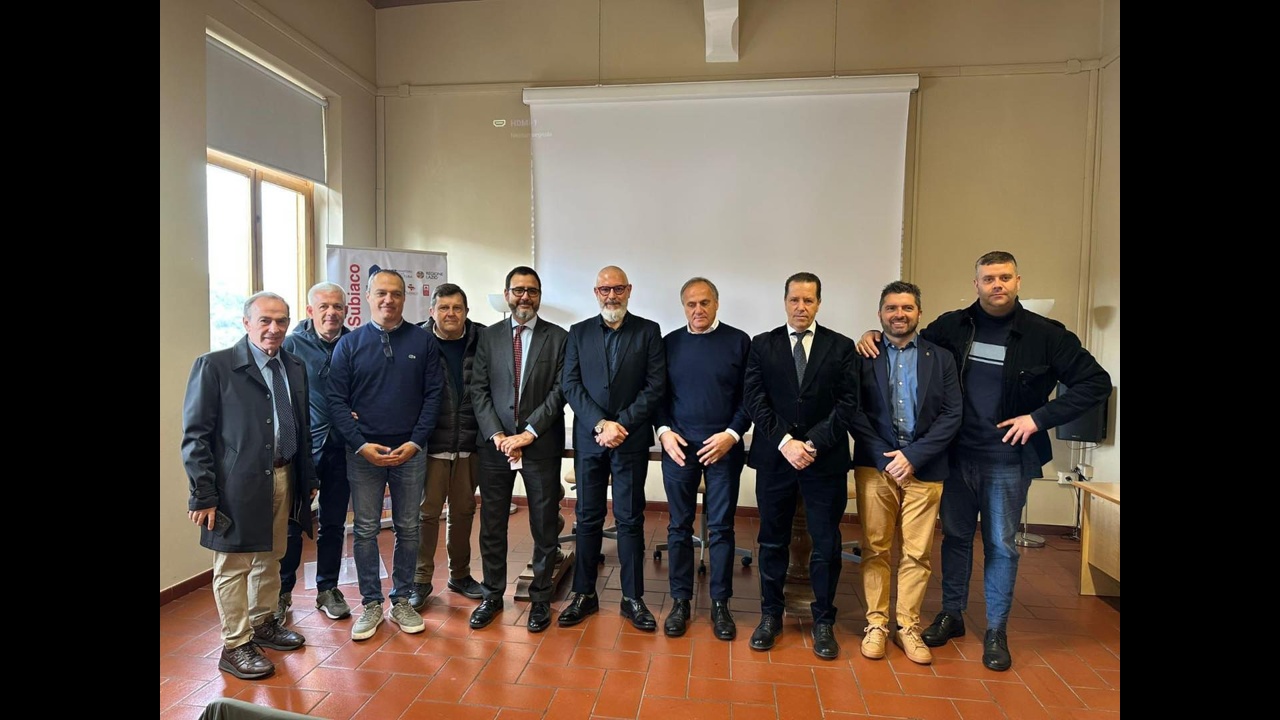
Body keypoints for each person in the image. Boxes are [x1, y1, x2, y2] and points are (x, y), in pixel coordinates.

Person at [856, 251, 1112, 671]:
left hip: (1007, 458)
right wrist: (872, 333)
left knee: (1001, 545)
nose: (997, 285)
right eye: (989, 278)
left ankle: (996, 629)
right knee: (955, 538)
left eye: (1004, 277)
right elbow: (904, 337)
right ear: (976, 284)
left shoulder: (1046, 335)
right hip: (955, 455)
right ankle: (952, 614)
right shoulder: (953, 326)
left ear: (1017, 281)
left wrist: (1038, 418)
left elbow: (1096, 383)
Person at [181, 292, 317, 680]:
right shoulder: (215, 366)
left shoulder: (294, 365)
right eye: (265, 320)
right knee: (233, 564)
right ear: (246, 323)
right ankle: (236, 644)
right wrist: (203, 494)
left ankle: (263, 623)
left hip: (284, 475)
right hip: (234, 486)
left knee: (272, 555)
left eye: (281, 321)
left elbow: (302, 426)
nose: (274, 328)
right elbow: (195, 437)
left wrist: (307, 477)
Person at [743, 272, 858, 660]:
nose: (801, 307)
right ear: (785, 301)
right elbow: (755, 399)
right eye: (795, 299)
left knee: (826, 543)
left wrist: (811, 443)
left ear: (819, 303)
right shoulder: (763, 344)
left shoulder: (841, 347)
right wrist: (785, 442)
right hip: (775, 459)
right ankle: (770, 615)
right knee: (772, 540)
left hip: (823, 460)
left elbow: (848, 404)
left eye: (809, 300)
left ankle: (823, 620)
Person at [847, 281, 962, 665]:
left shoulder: (941, 358)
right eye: (892, 308)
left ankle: (907, 626)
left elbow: (952, 414)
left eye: (907, 308)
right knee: (876, 548)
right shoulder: (863, 355)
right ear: (880, 313)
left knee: (917, 553)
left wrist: (912, 457)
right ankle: (876, 624)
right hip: (875, 466)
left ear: (919, 313)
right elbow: (853, 411)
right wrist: (887, 459)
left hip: (925, 469)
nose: (899, 314)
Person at [327, 269, 443, 641]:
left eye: (395, 293)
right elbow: (336, 400)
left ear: (404, 298)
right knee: (364, 529)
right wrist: (360, 444)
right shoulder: (349, 345)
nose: (388, 300)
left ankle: (402, 600)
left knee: (408, 527)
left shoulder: (424, 342)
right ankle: (371, 604)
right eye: (381, 293)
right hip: (363, 453)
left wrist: (416, 442)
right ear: (367, 296)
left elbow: (434, 396)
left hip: (410, 451)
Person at [560, 265, 666, 630]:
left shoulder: (648, 331)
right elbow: (571, 384)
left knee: (630, 519)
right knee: (587, 517)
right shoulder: (578, 333)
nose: (611, 295)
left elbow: (655, 386)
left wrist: (621, 424)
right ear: (596, 293)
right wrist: (601, 424)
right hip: (591, 439)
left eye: (618, 289)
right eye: (604, 289)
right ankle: (583, 594)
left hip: (630, 439)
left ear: (629, 290)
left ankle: (632, 598)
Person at [467, 266, 569, 633]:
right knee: (492, 524)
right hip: (495, 448)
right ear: (507, 293)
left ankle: (540, 598)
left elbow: (560, 391)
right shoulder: (488, 336)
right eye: (518, 290)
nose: (525, 296)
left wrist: (528, 433)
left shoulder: (559, 338)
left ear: (539, 295)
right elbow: (478, 389)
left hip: (540, 445)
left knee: (544, 524)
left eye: (532, 290)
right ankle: (492, 595)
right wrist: (497, 434)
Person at [654, 277, 751, 640]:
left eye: (705, 303)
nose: (698, 310)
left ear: (717, 303)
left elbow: (750, 398)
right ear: (683, 307)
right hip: (679, 447)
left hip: (723, 447)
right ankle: (680, 601)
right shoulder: (669, 344)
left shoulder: (739, 341)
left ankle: (720, 604)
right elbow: (657, 395)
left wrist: (731, 435)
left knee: (722, 527)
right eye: (691, 304)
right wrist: (664, 431)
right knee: (679, 526)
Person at [275, 282, 354, 624]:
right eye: (324, 307)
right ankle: (282, 593)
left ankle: (328, 589)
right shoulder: (291, 345)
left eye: (337, 306)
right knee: (293, 524)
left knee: (333, 523)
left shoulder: (356, 343)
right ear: (310, 311)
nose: (331, 313)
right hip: (301, 450)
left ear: (346, 310)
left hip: (341, 448)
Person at [410, 283, 486, 609]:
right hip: (430, 445)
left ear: (466, 311)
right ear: (432, 311)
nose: (451, 314)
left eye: (457, 308)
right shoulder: (416, 340)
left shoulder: (483, 338)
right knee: (426, 515)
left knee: (464, 511)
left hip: (470, 442)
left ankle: (461, 574)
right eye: (444, 308)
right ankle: (420, 580)